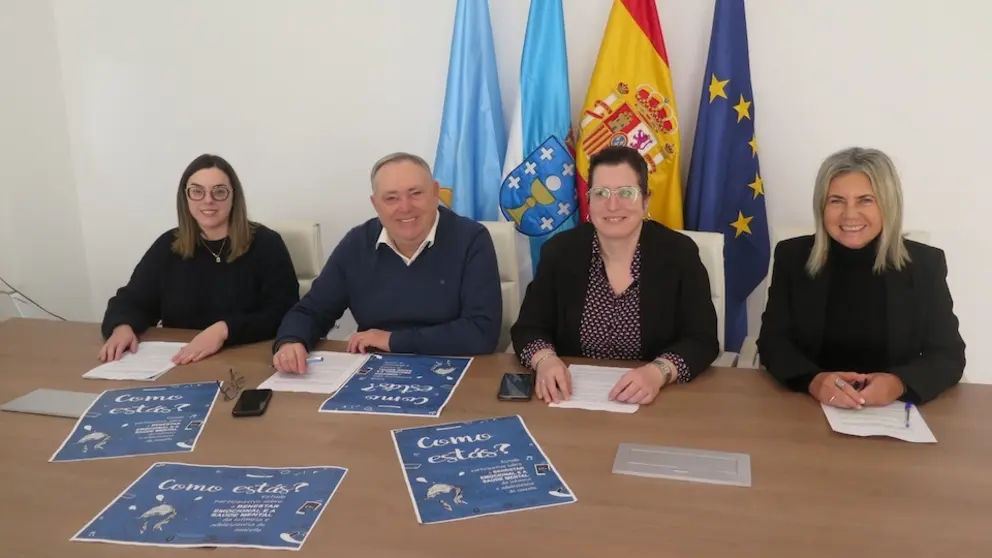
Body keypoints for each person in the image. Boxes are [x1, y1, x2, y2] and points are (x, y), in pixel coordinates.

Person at [510, 145, 719, 405]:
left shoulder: (678, 254)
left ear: (645, 200)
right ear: (588, 200)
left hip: (656, 402)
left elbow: (703, 340)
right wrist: (545, 360)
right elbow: (529, 328)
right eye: (600, 193)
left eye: (625, 193)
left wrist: (659, 372)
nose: (611, 204)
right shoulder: (561, 252)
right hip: (571, 400)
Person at [757, 147, 966, 407]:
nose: (849, 215)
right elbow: (773, 342)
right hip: (809, 406)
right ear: (821, 206)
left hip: (894, 410)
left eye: (865, 200)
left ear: (888, 205)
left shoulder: (925, 265)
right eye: (836, 200)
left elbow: (948, 354)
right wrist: (813, 380)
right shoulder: (792, 257)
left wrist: (899, 383)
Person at [272, 152, 502, 373]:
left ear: (435, 192)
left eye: (415, 193)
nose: (405, 207)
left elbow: (481, 332)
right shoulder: (357, 243)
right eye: (391, 198)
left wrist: (393, 340)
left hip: (456, 369)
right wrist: (292, 341)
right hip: (374, 371)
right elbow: (312, 310)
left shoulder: (471, 239)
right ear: (375, 204)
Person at [99, 154, 300, 364]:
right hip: (182, 362)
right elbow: (132, 299)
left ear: (234, 196)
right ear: (185, 197)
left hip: (246, 360)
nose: (208, 200)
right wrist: (122, 326)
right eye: (197, 191)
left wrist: (225, 330)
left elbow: (284, 312)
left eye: (219, 191)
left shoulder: (266, 244)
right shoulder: (168, 245)